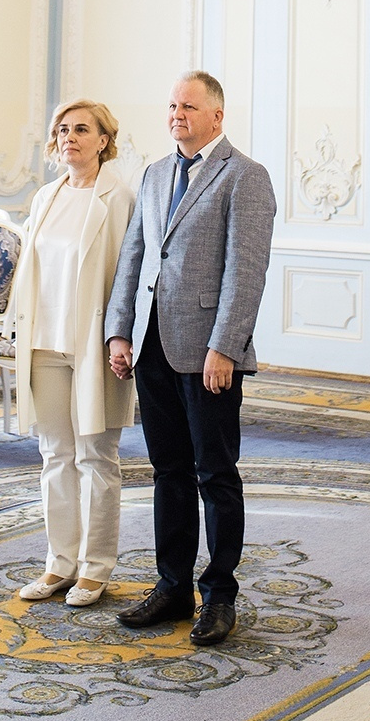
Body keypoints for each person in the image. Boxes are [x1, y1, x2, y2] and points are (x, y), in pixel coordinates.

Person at [105, 72, 275, 648]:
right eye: (172, 104)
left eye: (188, 106)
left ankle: (219, 594)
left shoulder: (245, 178)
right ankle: (173, 584)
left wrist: (225, 346)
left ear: (217, 116)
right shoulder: (154, 175)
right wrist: (119, 333)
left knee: (215, 474)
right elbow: (134, 257)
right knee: (168, 473)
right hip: (152, 347)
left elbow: (245, 274)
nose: (177, 114)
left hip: (208, 354)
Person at [8, 99, 138, 608]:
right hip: (44, 343)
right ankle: (60, 563)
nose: (70, 138)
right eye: (62, 129)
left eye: (82, 129)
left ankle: (95, 568)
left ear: (104, 139)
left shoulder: (119, 196)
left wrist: (121, 335)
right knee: (54, 456)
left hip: (94, 344)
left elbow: (129, 275)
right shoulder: (46, 196)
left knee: (97, 457)